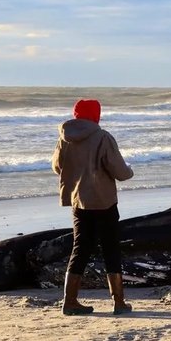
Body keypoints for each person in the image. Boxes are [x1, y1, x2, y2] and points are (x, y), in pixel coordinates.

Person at [52, 99, 135, 315]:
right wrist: (130, 171)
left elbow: (56, 166)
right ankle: (118, 302)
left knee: (80, 248)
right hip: (103, 201)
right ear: (96, 114)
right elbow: (120, 172)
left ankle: (69, 301)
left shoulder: (65, 138)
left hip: (79, 201)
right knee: (110, 249)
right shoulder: (103, 137)